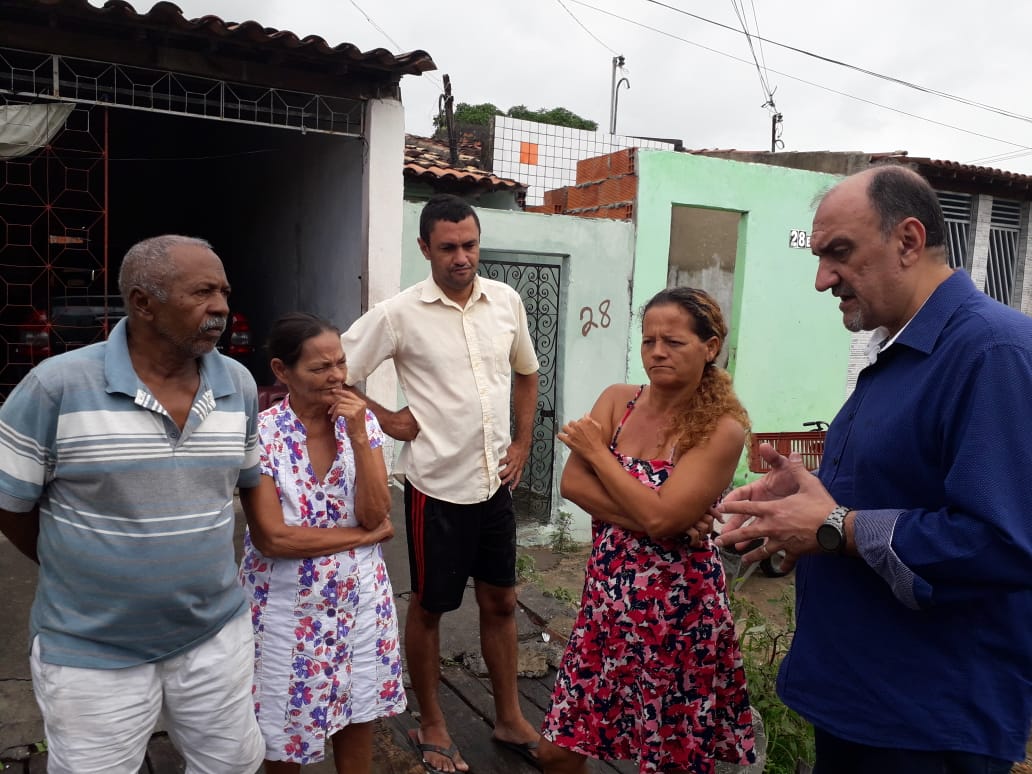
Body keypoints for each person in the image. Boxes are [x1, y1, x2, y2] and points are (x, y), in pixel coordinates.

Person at [715, 164, 1032, 774]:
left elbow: (1003, 543)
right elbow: (893, 498)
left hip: (927, 726)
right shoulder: (896, 353)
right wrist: (792, 514)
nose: (821, 279)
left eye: (840, 253)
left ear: (908, 241)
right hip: (862, 705)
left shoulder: (992, 353)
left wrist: (835, 524)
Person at [0, 235, 264, 774]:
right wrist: (81, 567)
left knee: (232, 765)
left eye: (224, 292)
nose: (220, 307)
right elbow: (11, 507)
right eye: (202, 293)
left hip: (216, 636)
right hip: (92, 651)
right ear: (143, 302)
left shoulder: (238, 384)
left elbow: (240, 484)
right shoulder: (54, 388)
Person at [340, 193, 541, 772]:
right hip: (437, 491)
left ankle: (508, 716)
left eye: (471, 245)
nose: (462, 257)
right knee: (429, 606)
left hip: (493, 486)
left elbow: (527, 374)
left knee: (501, 599)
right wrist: (386, 417)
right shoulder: (397, 314)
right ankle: (432, 722)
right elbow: (337, 374)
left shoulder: (505, 301)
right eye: (449, 247)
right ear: (425, 247)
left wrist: (523, 443)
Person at [538, 286, 757, 774]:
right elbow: (573, 485)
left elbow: (655, 513)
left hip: (678, 621)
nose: (657, 352)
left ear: (710, 346)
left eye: (674, 342)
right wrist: (666, 521)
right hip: (605, 608)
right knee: (557, 749)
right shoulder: (619, 401)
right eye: (648, 340)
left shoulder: (721, 429)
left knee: (666, 759)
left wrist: (599, 454)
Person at [238, 312, 405, 773]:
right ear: (281, 371)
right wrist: (362, 537)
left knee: (357, 715)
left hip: (359, 602)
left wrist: (356, 433)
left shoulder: (360, 425)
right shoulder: (262, 435)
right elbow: (272, 537)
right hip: (285, 611)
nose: (336, 376)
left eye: (340, 364)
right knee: (281, 730)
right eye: (319, 368)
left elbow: (376, 513)